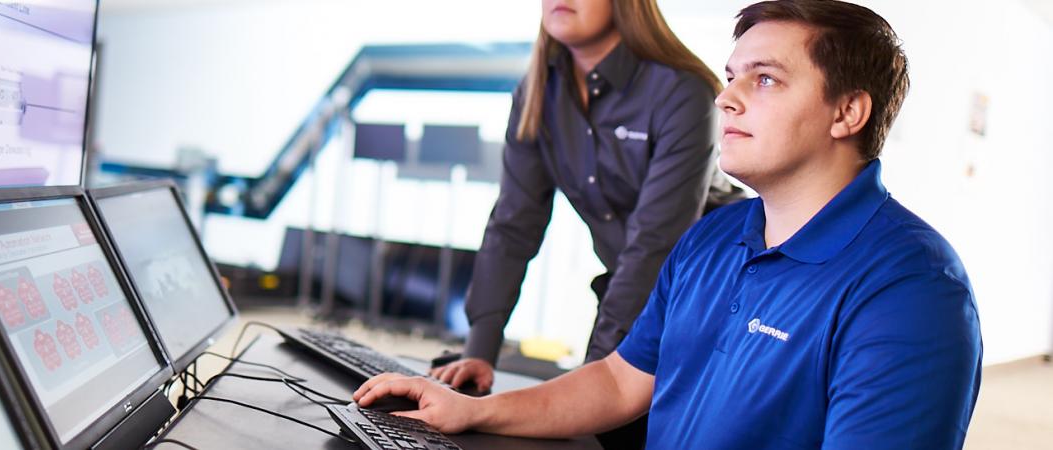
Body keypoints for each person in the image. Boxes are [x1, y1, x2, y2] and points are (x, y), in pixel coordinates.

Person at [359, 1, 984, 448]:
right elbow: (616, 381)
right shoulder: (711, 241)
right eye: (734, 75)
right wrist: (475, 410)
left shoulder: (913, 291)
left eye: (764, 79)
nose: (726, 97)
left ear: (848, 111)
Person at [435, 0, 721, 406]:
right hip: (631, 298)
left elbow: (654, 245)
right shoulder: (537, 91)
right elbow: (514, 224)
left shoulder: (682, 91)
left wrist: (595, 378)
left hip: (710, 303)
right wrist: (479, 350)